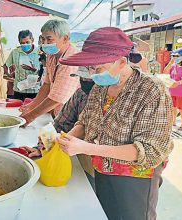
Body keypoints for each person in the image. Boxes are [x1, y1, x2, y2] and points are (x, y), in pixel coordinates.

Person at [56, 27, 173, 220]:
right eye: (90, 68)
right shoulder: (99, 88)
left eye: (98, 68)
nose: (93, 74)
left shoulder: (152, 90)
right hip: (102, 169)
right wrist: (68, 138)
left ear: (121, 62)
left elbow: (148, 151)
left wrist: (88, 148)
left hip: (136, 177)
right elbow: (85, 122)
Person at [19, 20, 79, 126]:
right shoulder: (51, 56)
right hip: (59, 115)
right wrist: (31, 106)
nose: (44, 43)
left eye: (49, 39)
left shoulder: (71, 61)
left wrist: (29, 117)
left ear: (65, 39)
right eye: (43, 39)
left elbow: (56, 99)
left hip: (73, 120)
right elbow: (46, 85)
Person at [3, 30, 41, 101]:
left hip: (35, 91)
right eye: (22, 43)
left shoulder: (39, 52)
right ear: (19, 42)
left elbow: (44, 72)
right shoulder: (15, 52)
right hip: (19, 90)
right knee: (17, 110)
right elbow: (5, 65)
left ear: (32, 40)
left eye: (27, 42)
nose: (25, 45)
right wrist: (8, 74)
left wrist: (32, 69)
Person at [164, 47, 182, 131]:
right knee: (172, 107)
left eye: (177, 56)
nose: (175, 58)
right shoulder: (173, 66)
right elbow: (165, 72)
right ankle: (173, 121)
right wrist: (170, 63)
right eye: (174, 56)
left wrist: (179, 82)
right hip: (172, 91)